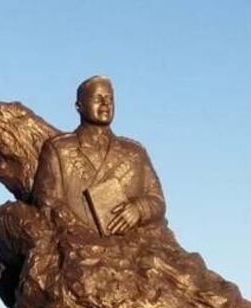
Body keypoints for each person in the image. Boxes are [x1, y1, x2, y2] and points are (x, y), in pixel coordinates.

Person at [33, 75, 166, 236]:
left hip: (130, 246)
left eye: (109, 99)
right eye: (98, 98)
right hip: (78, 245)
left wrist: (139, 210)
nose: (105, 104)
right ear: (79, 106)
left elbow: (157, 200)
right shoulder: (59, 149)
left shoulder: (135, 152)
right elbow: (47, 203)